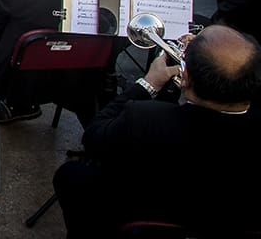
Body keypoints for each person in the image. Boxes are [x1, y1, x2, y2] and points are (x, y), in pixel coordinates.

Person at [53, 25, 261, 237]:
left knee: (70, 175)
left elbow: (94, 136)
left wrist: (148, 84)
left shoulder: (146, 119)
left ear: (186, 78)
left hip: (148, 213)